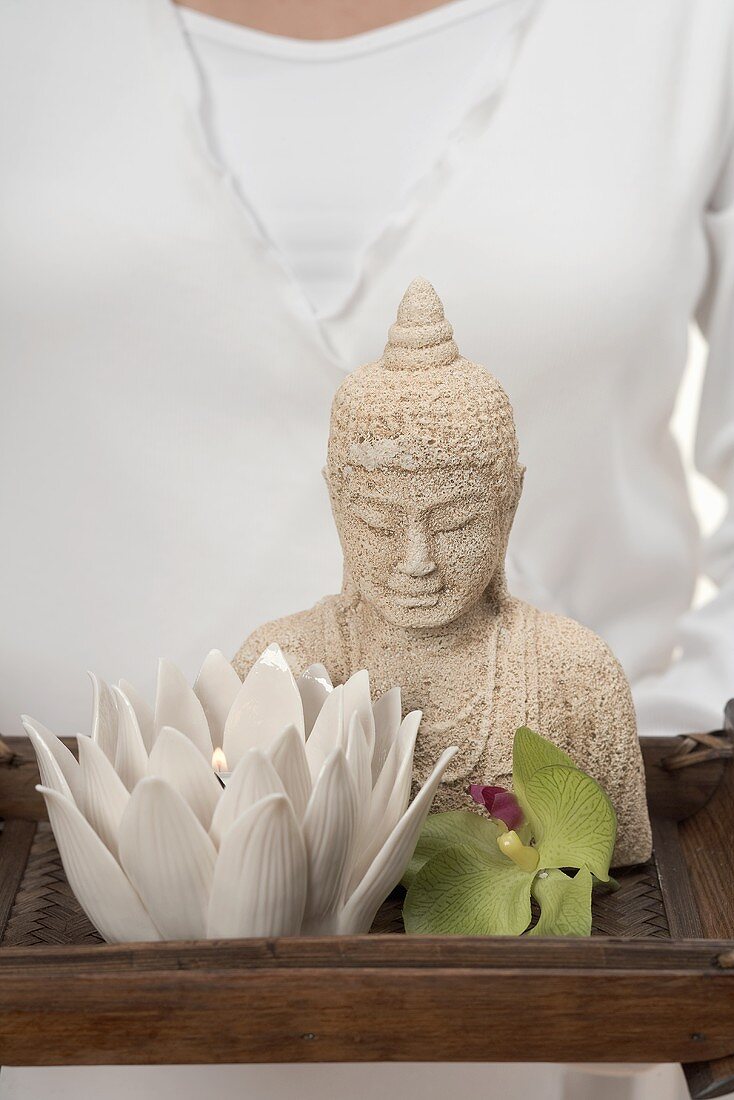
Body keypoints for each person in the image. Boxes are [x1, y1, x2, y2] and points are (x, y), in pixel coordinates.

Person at [1, 0, 732, 1097]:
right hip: (86, 981)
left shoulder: (573, 674)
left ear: (511, 497)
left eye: (460, 516)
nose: (421, 561)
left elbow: (628, 861)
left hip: (571, 1034)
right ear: (335, 500)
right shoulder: (272, 663)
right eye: (381, 521)